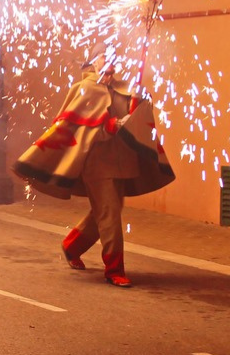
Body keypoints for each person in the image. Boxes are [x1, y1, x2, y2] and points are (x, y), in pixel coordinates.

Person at [12, 59, 175, 287]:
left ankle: (72, 245)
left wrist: (138, 103)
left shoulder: (124, 88)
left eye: (112, 66)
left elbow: (138, 117)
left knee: (108, 210)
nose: (109, 70)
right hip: (96, 164)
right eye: (104, 64)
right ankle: (114, 269)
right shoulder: (84, 89)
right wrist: (111, 126)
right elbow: (81, 130)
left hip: (121, 163)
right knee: (109, 215)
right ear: (94, 64)